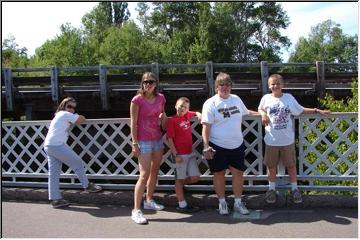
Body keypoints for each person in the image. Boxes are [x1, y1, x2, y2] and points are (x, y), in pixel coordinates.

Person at [258, 74, 330, 204]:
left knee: (291, 166)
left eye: (278, 83)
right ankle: (271, 189)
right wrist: (263, 114)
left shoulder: (289, 98)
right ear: (269, 86)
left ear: (282, 85)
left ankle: (295, 189)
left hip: (287, 140)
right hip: (271, 140)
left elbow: (300, 110)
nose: (275, 86)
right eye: (273, 84)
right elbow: (260, 109)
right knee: (271, 166)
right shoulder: (266, 98)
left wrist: (316, 110)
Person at [201, 72, 258, 215]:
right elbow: (206, 126)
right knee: (219, 174)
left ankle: (238, 203)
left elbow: (246, 112)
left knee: (238, 173)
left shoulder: (236, 99)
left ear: (231, 86)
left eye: (228, 84)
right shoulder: (210, 103)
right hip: (217, 145)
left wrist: (262, 114)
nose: (225, 87)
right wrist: (206, 146)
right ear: (216, 87)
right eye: (222, 85)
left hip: (237, 144)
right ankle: (222, 203)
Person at [44, 97, 102, 209]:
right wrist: (78, 116)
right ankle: (87, 185)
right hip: (56, 145)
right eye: (69, 106)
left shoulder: (59, 115)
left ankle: (55, 199)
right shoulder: (63, 114)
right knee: (77, 162)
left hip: (49, 145)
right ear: (63, 106)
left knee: (54, 173)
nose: (71, 109)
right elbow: (81, 119)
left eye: (73, 108)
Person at [130, 72, 167, 224]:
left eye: (151, 81)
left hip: (157, 139)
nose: (148, 84)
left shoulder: (161, 98)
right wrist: (134, 143)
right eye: (145, 82)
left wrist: (164, 119)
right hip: (143, 140)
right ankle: (136, 210)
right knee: (144, 174)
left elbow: (163, 115)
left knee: (154, 171)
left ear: (156, 84)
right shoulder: (137, 100)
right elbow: (133, 122)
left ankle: (149, 200)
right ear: (142, 84)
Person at [166, 97, 202, 213]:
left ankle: (179, 188)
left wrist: (199, 114)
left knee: (195, 177)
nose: (183, 108)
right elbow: (169, 139)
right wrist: (175, 155)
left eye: (185, 107)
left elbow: (195, 112)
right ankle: (182, 204)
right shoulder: (172, 120)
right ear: (176, 106)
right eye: (181, 106)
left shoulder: (186, 116)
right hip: (179, 155)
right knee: (179, 179)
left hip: (189, 153)